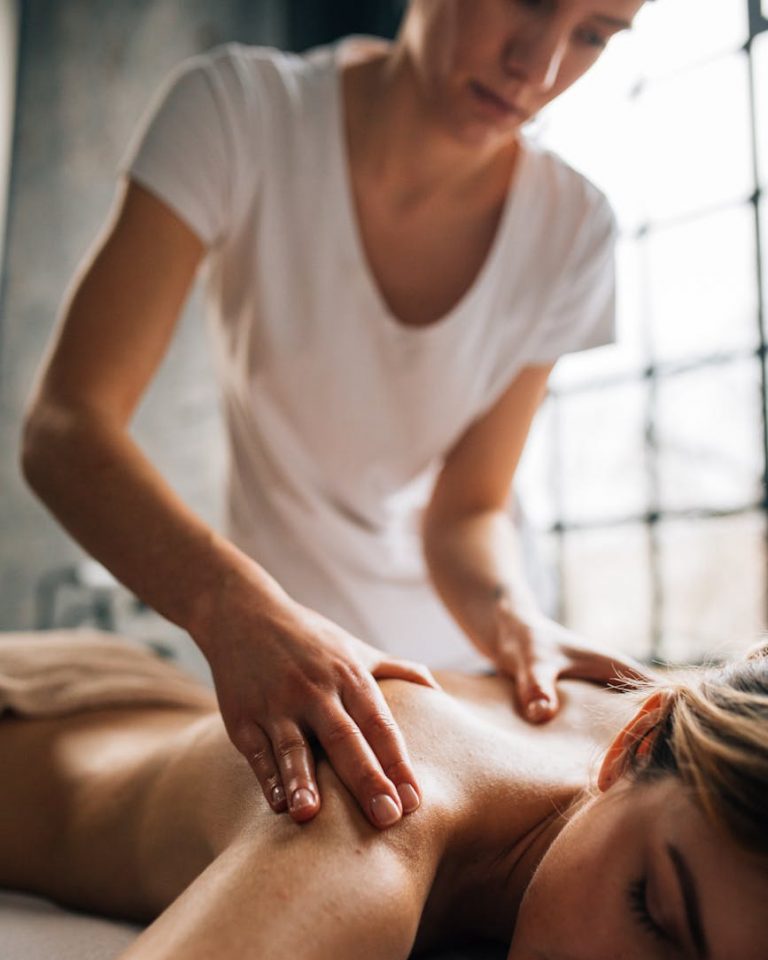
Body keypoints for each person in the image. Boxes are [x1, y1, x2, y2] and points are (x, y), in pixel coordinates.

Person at [20, 0, 649, 828]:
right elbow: (67, 426)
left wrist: (519, 624)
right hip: (285, 668)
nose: (538, 67)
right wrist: (230, 607)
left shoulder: (573, 230)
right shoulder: (240, 114)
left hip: (466, 683)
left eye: (594, 34)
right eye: (528, 1)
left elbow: (467, 511)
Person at [0, 628, 766, 960]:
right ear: (629, 748)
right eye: (654, 917)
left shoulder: (662, 755)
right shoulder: (382, 807)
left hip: (146, 698)